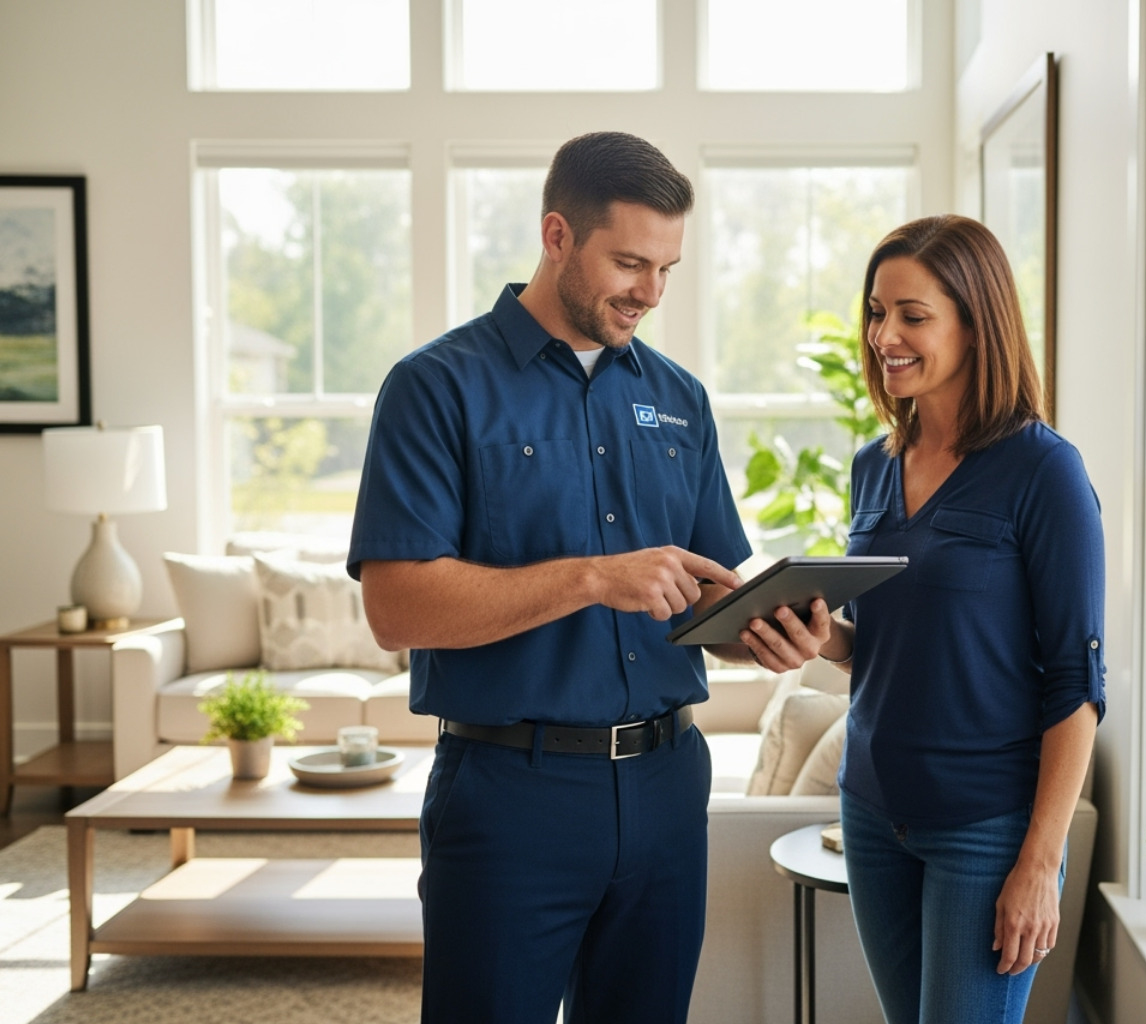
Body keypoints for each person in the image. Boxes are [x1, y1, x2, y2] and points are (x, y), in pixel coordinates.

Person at [347, 131, 752, 1024]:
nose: (649, 292)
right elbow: (394, 607)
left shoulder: (681, 399)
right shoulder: (435, 387)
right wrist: (590, 579)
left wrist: (761, 628)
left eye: (667, 269)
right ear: (557, 235)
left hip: (669, 784)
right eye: (630, 262)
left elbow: (712, 582)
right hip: (510, 795)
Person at [736, 214, 1106, 1023]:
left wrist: (1039, 865)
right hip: (871, 809)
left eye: (913, 315)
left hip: (986, 826)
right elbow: (897, 647)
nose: (884, 336)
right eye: (876, 312)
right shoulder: (874, 467)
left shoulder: (1044, 473)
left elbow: (1077, 687)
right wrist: (817, 635)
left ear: (977, 324)